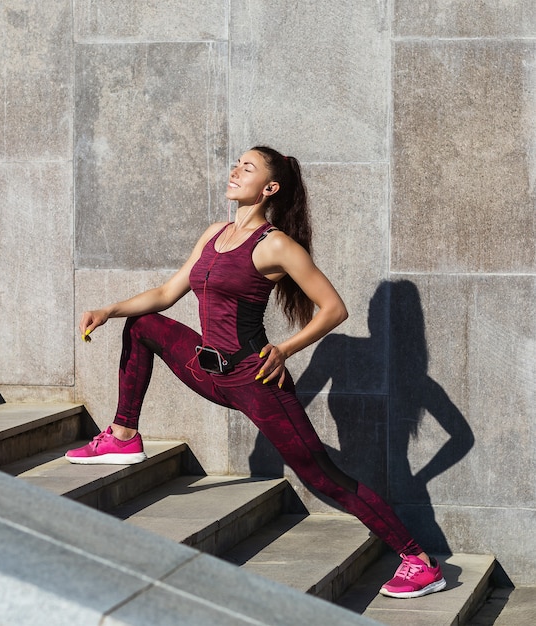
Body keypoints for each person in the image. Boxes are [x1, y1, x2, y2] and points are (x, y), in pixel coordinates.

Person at [66, 146, 447, 599]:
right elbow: (168, 293)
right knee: (144, 323)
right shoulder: (215, 233)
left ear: (269, 188)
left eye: (247, 168)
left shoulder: (276, 245)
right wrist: (108, 309)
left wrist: (284, 350)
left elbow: (334, 309)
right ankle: (124, 434)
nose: (235, 171)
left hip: (252, 379)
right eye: (236, 164)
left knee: (323, 477)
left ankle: (419, 561)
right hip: (205, 369)